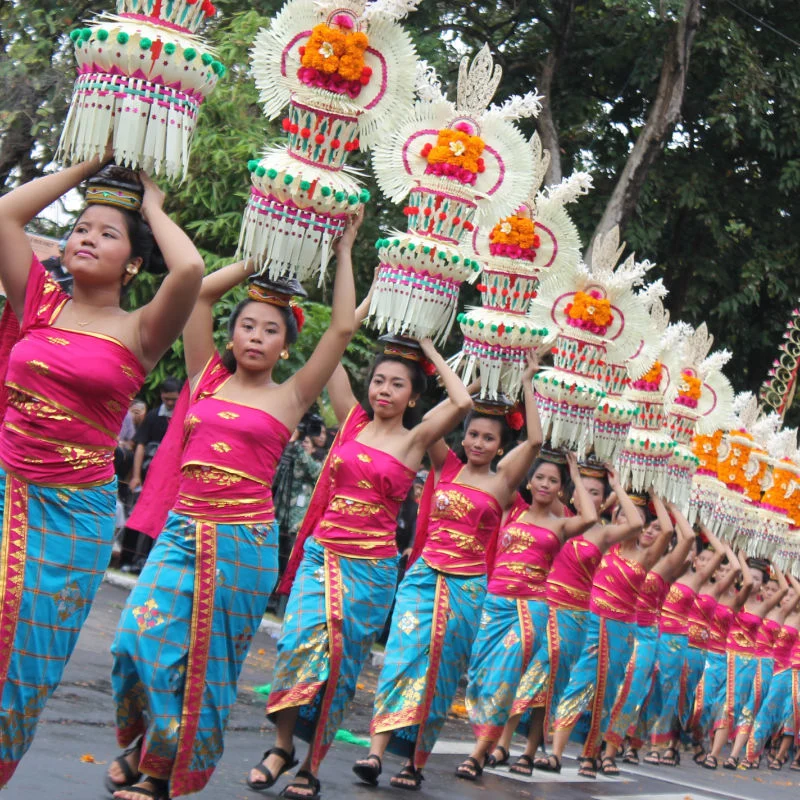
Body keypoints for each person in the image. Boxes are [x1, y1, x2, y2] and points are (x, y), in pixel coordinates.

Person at [105, 208, 363, 800]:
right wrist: (265, 255)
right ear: (230, 334)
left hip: (243, 544)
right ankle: (145, 744)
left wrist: (343, 249)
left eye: (270, 331)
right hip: (181, 530)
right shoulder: (205, 378)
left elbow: (342, 330)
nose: (255, 336)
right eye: (246, 325)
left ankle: (160, 772)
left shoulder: (291, 396)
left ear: (285, 347)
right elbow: (198, 293)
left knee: (204, 663)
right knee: (135, 640)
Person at [0, 156, 204, 788]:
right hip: (7, 488)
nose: (86, 237)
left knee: (23, 665)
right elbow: (4, 214)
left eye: (106, 233)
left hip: (72, 518)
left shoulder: (141, 330)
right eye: (81, 227)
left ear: (134, 264)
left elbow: (190, 270)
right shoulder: (39, 302)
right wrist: (90, 163)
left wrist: (151, 204)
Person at [246, 306, 473, 799]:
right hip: (322, 555)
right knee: (296, 646)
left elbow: (461, 401)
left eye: (397, 384)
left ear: (413, 396)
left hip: (371, 571)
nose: (383, 390)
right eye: (378, 381)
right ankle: (281, 747)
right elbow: (334, 348)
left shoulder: (416, 439)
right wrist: (368, 306)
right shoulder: (351, 420)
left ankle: (310, 767)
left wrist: (427, 348)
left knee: (340, 670)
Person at [353, 353, 543, 789]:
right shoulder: (445, 465)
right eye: (473, 434)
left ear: (500, 447)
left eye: (488, 439)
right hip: (423, 578)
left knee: (440, 671)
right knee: (402, 657)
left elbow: (534, 441)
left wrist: (527, 382)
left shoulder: (502, 482)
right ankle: (375, 753)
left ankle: (414, 762)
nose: (478, 443)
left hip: (467, 588)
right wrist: (474, 384)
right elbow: (428, 419)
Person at [454, 449, 598, 781]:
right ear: (529, 482)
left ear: (560, 489)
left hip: (530, 608)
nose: (545, 484)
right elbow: (505, 467)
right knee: (481, 677)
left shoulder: (561, 525)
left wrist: (575, 474)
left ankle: (479, 753)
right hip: (494, 603)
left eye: (553, 481)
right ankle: (489, 741)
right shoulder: (512, 508)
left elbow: (589, 517)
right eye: (539, 477)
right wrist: (535, 444)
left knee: (507, 675)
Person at [501, 465, 647, 776]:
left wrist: (617, 486)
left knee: (553, 683)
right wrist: (572, 476)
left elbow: (636, 522)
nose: (588, 496)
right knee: (525, 674)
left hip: (576, 618)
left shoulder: (603, 534)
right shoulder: (562, 520)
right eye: (583, 490)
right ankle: (499, 744)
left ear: (604, 501)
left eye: (595, 493)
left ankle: (533, 752)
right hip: (543, 609)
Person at [547, 491, 673, 779]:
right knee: (578, 684)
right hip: (591, 623)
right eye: (623, 514)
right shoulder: (602, 543)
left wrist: (659, 495)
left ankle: (590, 754)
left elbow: (667, 530)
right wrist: (615, 490)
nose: (628, 520)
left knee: (606, 694)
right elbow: (588, 516)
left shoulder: (646, 556)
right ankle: (555, 754)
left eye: (636, 518)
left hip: (621, 631)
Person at [118, 378, 181, 570]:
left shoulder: (184, 418)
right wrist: (136, 475)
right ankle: (127, 559)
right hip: (148, 473)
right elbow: (140, 446)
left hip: (169, 478)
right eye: (166, 398)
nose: (169, 403)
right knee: (136, 513)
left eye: (174, 399)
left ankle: (147, 562)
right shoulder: (154, 416)